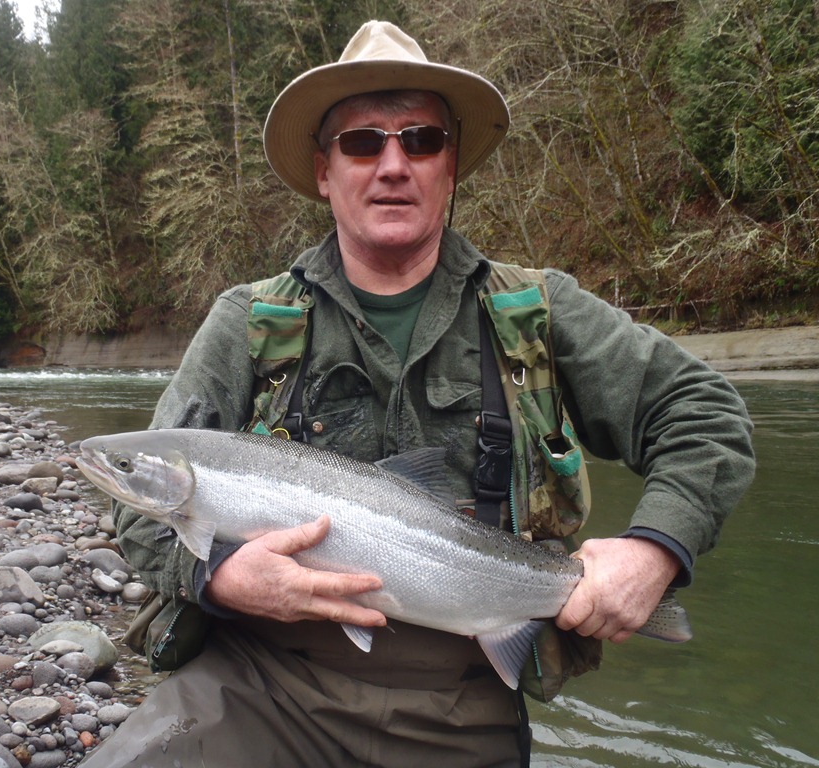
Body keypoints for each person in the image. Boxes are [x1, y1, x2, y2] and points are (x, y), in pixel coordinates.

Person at [82, 20, 755, 768]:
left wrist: (653, 551)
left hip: (462, 705)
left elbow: (706, 416)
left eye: (422, 140)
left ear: (451, 165)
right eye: (363, 143)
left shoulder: (536, 313)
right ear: (325, 171)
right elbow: (138, 511)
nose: (394, 165)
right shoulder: (247, 322)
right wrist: (221, 578)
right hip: (259, 684)